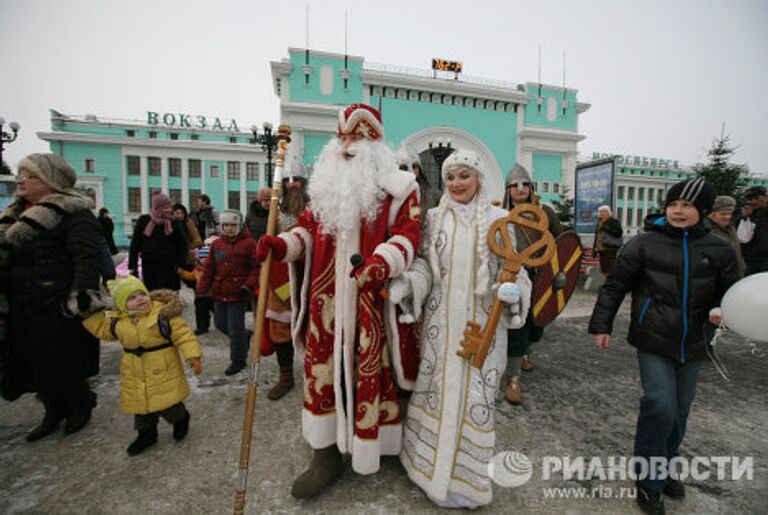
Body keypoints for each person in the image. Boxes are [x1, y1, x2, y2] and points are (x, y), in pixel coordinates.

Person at [256, 103, 421, 499]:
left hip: (370, 301)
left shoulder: (399, 188)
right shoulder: (327, 188)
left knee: (370, 371)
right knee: (322, 373)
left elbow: (408, 235)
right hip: (326, 305)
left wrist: (382, 263)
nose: (345, 145)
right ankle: (324, 453)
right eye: (342, 137)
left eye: (355, 137)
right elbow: (308, 234)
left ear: (375, 143)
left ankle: (377, 444)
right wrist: (282, 245)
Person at [588, 178, 740, 515]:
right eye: (674, 205)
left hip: (697, 341)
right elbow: (614, 287)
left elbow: (731, 293)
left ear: (702, 210)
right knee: (660, 405)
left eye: (687, 206)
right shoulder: (644, 243)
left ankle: (666, 465)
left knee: (681, 410)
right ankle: (649, 480)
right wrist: (602, 324)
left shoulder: (719, 249)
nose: (679, 211)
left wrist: (721, 311)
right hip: (653, 337)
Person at [395, 149, 531, 508]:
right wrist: (409, 284)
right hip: (440, 329)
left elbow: (516, 268)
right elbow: (425, 265)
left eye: (464, 176)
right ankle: (425, 470)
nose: (456, 183)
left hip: (482, 330)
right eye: (451, 177)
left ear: (478, 179)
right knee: (438, 392)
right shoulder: (434, 219)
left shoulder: (501, 220)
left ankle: (468, 483)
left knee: (475, 398)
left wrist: (515, 291)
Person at [0, 153, 102, 440]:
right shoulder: (13, 214)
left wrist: (80, 296)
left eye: (29, 175)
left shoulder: (73, 213)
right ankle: (52, 410)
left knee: (61, 360)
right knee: (32, 360)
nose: (20, 179)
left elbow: (87, 256)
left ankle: (79, 403)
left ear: (50, 181)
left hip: (57, 303)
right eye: (20, 173)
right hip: (21, 302)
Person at [82, 276, 202, 456]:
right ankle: (146, 435)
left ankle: (181, 419)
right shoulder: (118, 321)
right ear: (122, 305)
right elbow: (101, 329)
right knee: (141, 406)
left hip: (162, 366)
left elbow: (184, 336)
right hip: (134, 369)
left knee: (168, 402)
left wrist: (193, 356)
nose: (139, 299)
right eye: (132, 297)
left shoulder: (163, 315)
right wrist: (89, 312)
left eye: (142, 294)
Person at [501, 163, 563, 404]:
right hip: (516, 277)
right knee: (518, 325)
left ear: (531, 187)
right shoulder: (501, 215)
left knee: (538, 322)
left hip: (542, 276)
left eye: (524, 184)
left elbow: (560, 242)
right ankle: (513, 379)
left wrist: (558, 273)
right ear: (508, 189)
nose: (520, 189)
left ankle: (527, 352)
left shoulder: (545, 213)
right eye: (515, 185)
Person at [263, 162, 310, 400]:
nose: (293, 184)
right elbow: (268, 241)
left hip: (309, 273)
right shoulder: (276, 212)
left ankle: (315, 377)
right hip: (281, 276)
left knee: (314, 327)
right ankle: (286, 377)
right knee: (280, 327)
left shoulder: (314, 210)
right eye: (288, 180)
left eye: (297, 180)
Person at [196, 210, 259, 375]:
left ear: (239, 226)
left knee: (234, 329)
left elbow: (256, 269)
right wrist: (202, 289)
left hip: (238, 294)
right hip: (219, 292)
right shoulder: (217, 244)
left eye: (232, 225)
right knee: (220, 324)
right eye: (226, 225)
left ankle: (238, 360)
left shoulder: (249, 244)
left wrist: (248, 286)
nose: (229, 228)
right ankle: (244, 336)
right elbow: (209, 268)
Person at [129, 193, 187, 291]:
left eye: (170, 207)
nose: (169, 210)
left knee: (170, 298)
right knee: (153, 296)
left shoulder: (174, 223)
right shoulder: (144, 221)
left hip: (170, 267)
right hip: (150, 267)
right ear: (157, 208)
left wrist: (181, 265)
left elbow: (182, 245)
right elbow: (135, 245)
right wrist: (133, 266)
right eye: (165, 208)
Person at [397, 144, 441, 224]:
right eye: (405, 168)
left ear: (419, 169)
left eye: (414, 167)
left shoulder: (433, 194)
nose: (411, 171)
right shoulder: (393, 194)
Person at [708, 195, 745, 277]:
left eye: (729, 213)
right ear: (711, 215)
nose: (727, 217)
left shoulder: (731, 228)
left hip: (736, 274)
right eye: (723, 214)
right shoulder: (707, 231)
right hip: (719, 277)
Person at [738, 185, 768, 275]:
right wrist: (744, 217)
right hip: (749, 259)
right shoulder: (746, 214)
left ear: (766, 197)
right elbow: (738, 236)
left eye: (757, 198)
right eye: (750, 199)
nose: (754, 201)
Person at [593, 205, 624, 278]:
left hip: (610, 248)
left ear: (608, 213)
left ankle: (610, 284)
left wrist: (605, 227)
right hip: (601, 249)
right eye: (600, 212)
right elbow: (597, 236)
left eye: (604, 212)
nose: (602, 213)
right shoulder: (599, 222)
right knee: (604, 269)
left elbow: (618, 232)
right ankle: (607, 282)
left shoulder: (613, 221)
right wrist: (594, 249)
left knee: (610, 268)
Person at [173, 203, 203, 272]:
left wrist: (187, 247)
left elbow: (198, 240)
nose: (180, 215)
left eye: (182, 213)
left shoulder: (188, 223)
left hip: (187, 259)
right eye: (177, 213)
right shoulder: (169, 223)